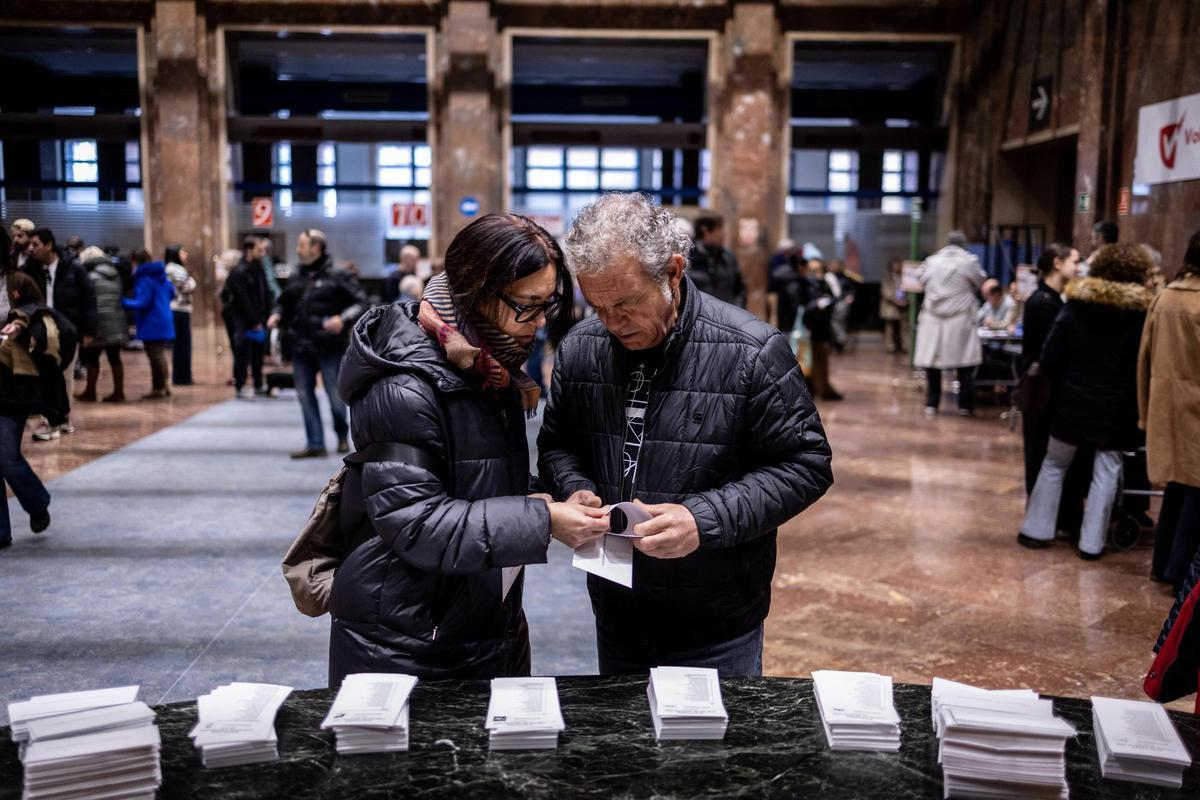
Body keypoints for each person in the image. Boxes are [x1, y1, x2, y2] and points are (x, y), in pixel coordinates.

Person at [539, 193, 834, 676]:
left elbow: (806, 465)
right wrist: (575, 489)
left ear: (673, 274)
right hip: (617, 610)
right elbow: (558, 445)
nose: (612, 323)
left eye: (626, 304)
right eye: (598, 306)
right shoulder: (581, 349)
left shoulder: (751, 351)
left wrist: (703, 519)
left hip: (715, 620)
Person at [328, 212, 609, 686]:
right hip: (407, 637)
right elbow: (416, 522)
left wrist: (545, 499)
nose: (540, 322)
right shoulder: (404, 387)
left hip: (479, 616)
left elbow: (475, 476)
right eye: (527, 306)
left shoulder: (484, 364)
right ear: (477, 292)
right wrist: (543, 520)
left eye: (547, 305)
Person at [1018, 244, 1154, 559]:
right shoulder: (1141, 314)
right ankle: (1091, 544)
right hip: (1117, 406)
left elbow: (1050, 355)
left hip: (1072, 401)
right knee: (1107, 470)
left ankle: (1036, 530)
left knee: (1054, 463)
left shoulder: (1077, 305)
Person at [268, 229, 366, 458]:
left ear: (316, 248)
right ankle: (315, 443)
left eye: (302, 245)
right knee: (304, 395)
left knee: (335, 396)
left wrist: (342, 318)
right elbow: (283, 302)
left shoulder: (338, 275)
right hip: (300, 345)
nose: (297, 250)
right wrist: (277, 314)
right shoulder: (296, 275)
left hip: (330, 346)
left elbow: (360, 302)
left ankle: (342, 436)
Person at [1143, 231, 1200, 590]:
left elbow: (1144, 359)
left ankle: (1161, 562)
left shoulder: (1164, 298)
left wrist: (1145, 410)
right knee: (1197, 491)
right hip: (1197, 409)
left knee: (1177, 488)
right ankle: (1179, 570)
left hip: (1166, 408)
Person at [20, 227, 96, 441]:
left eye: (35, 244)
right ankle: (51, 418)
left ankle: (62, 418)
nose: (31, 248)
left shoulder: (73, 267)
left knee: (66, 375)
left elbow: (89, 297)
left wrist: (89, 329)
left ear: (48, 245)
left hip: (68, 329)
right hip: (41, 330)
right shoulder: (29, 269)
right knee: (45, 374)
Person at [0, 276, 59, 550]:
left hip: (12, 382)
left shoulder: (19, 280)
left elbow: (42, 319)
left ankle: (37, 503)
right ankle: (1, 531)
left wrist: (20, 326)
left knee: (6, 457)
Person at [914, 231, 986, 417]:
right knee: (965, 365)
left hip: (933, 319)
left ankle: (932, 403)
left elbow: (919, 278)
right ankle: (965, 405)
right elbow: (980, 281)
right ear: (963, 244)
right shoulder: (969, 261)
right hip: (960, 319)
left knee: (933, 364)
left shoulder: (932, 261)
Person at [74, 246, 129, 403]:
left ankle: (90, 391)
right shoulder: (115, 274)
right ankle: (119, 393)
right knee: (115, 357)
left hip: (97, 322)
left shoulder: (89, 276)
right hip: (116, 321)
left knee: (92, 358)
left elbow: (86, 301)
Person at [123, 248, 175, 399]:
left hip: (152, 320)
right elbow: (171, 292)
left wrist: (122, 302)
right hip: (163, 317)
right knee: (160, 354)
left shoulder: (145, 278)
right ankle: (164, 386)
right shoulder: (160, 275)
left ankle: (158, 388)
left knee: (155, 355)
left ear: (136, 262)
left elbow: (142, 302)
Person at [224, 237, 272, 398]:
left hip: (259, 318)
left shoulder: (258, 268)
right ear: (249, 250)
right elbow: (242, 299)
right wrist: (253, 321)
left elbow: (264, 294)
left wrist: (265, 316)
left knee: (258, 353)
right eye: (259, 250)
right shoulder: (239, 272)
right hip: (243, 321)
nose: (263, 253)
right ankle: (240, 385)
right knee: (242, 353)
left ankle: (258, 383)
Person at [688, 215, 746, 307]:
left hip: (728, 313)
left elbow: (739, 289)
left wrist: (737, 309)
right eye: (719, 229)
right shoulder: (689, 257)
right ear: (706, 231)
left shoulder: (728, 256)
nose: (723, 233)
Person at [164, 244, 196, 386]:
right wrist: (192, 281)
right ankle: (182, 378)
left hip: (180, 309)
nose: (185, 254)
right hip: (179, 310)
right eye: (182, 252)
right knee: (182, 345)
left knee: (182, 345)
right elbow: (187, 286)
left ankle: (182, 376)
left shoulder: (174, 268)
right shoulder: (174, 268)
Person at [824, 258, 857, 352]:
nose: (834, 267)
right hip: (830, 303)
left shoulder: (845, 277)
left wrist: (850, 297)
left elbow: (851, 290)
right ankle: (838, 340)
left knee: (839, 322)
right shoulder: (827, 277)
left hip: (842, 302)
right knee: (832, 323)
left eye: (836, 265)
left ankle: (840, 342)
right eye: (833, 265)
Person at [879, 257, 909, 354]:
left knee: (904, 327)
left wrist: (906, 301)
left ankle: (905, 345)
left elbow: (910, 289)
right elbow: (885, 291)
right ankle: (890, 345)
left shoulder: (905, 277)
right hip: (890, 305)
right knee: (890, 327)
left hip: (903, 305)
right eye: (895, 265)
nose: (897, 267)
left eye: (899, 265)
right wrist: (895, 300)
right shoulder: (887, 277)